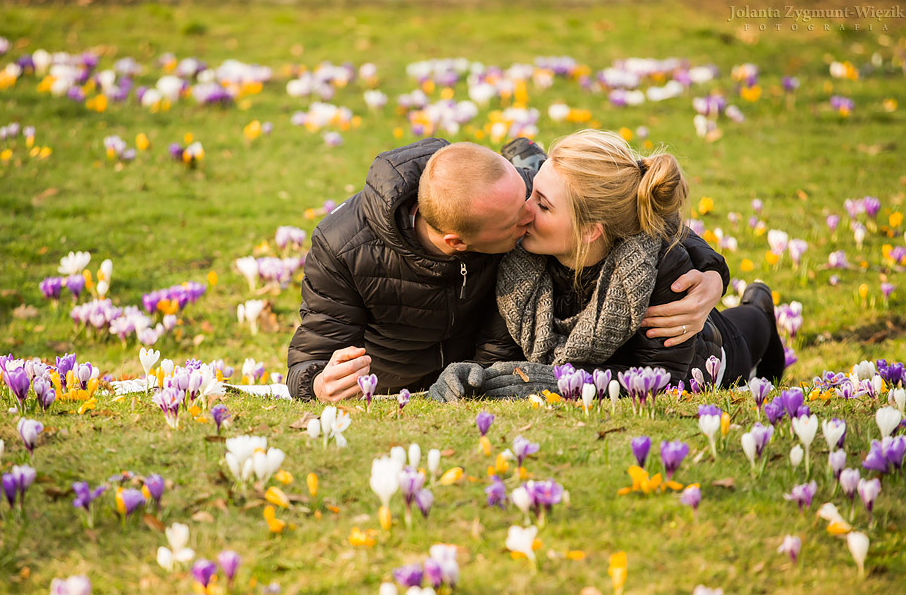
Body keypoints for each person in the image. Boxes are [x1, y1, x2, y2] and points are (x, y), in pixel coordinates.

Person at [286, 137, 731, 401]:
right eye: (515, 218)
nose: (527, 213)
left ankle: (756, 315)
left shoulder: (494, 188)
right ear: (458, 243)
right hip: (399, 385)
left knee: (739, 334)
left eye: (531, 194)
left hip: (502, 361)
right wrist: (319, 385)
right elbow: (310, 359)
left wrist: (713, 272)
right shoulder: (342, 248)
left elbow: (622, 201)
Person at [429, 129, 784, 401]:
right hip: (609, 367)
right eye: (531, 191)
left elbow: (663, 379)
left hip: (707, 356)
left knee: (751, 328)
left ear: (589, 231)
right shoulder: (521, 257)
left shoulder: (658, 267)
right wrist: (470, 377)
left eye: (543, 205)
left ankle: (761, 309)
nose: (523, 209)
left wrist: (558, 383)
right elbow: (496, 357)